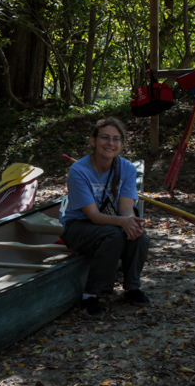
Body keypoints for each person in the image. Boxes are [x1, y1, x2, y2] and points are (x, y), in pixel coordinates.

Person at [60, 117, 151, 316]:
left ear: (121, 144)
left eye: (116, 139)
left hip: (109, 223)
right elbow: (92, 215)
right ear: (94, 141)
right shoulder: (79, 170)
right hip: (78, 227)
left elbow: (126, 209)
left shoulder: (126, 168)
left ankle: (132, 288)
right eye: (105, 138)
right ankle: (90, 295)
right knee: (114, 235)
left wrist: (130, 223)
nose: (111, 144)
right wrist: (122, 223)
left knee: (139, 236)